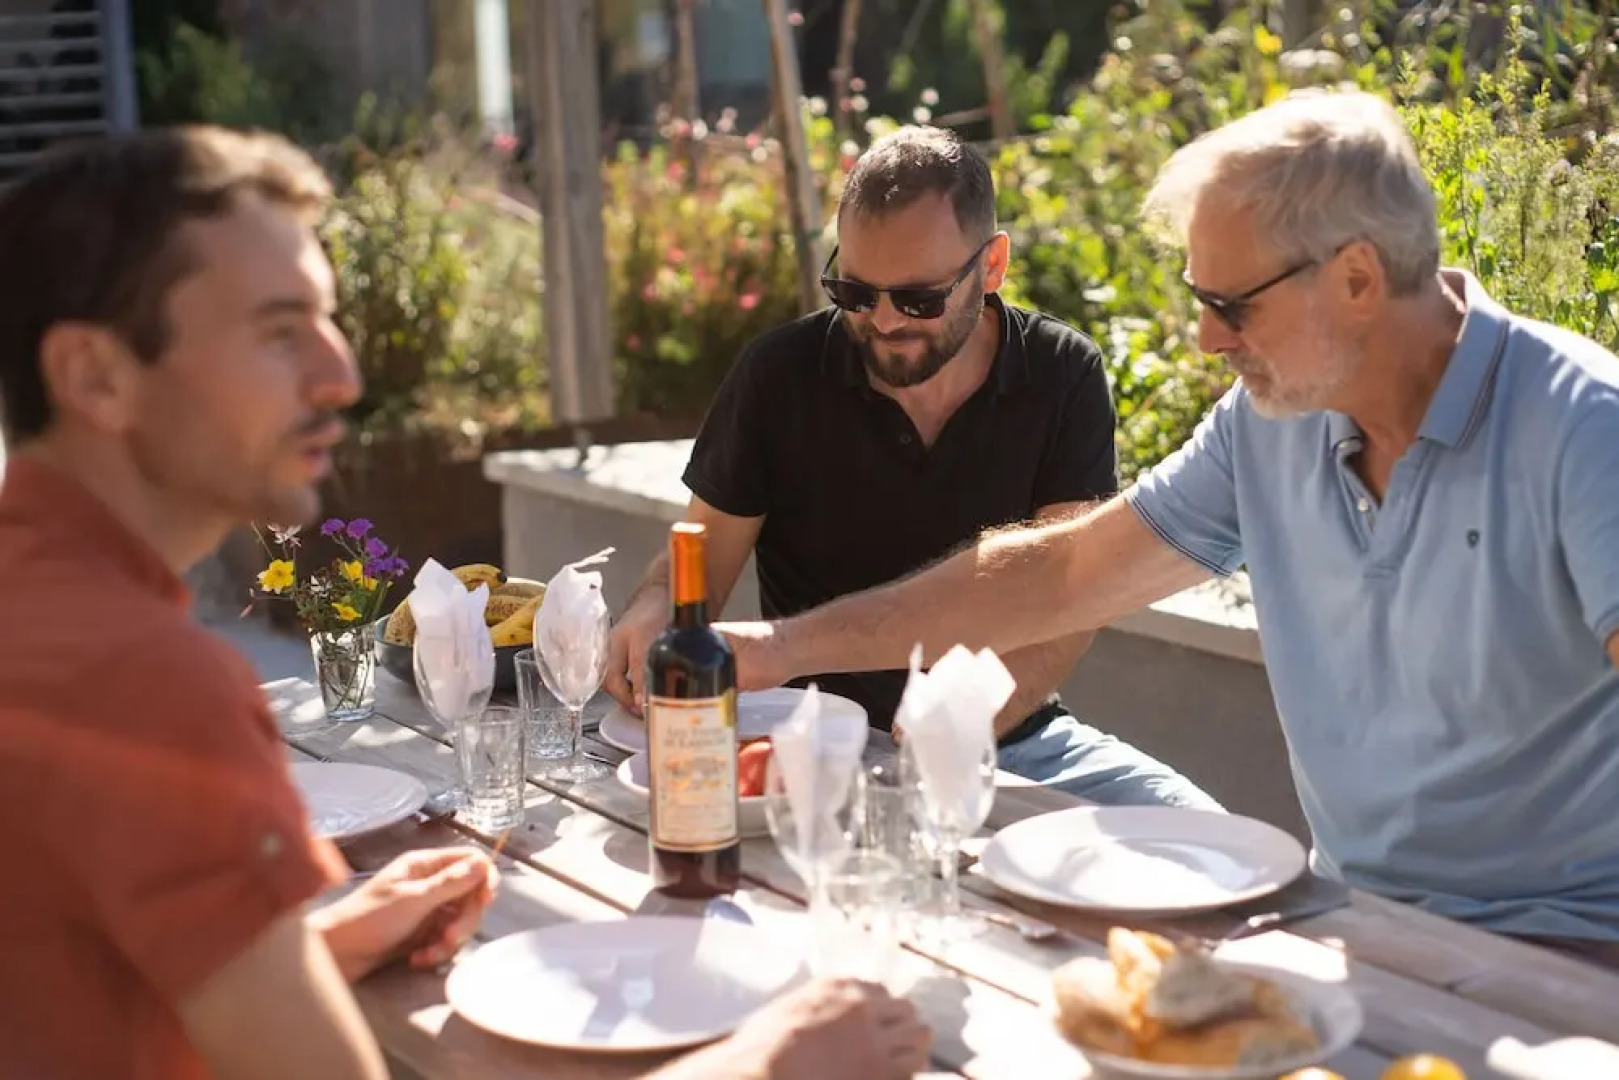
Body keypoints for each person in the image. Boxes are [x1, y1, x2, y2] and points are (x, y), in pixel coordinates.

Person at [0, 127, 931, 1079]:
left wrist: (301, 953)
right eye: (280, 333)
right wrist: (767, 1062)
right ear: (95, 377)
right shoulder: (135, 680)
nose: (343, 377)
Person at [711, 91, 1619, 957]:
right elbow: (1061, 575)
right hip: (1352, 927)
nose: (1203, 340)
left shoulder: (1581, 427)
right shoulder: (1267, 426)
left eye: (1231, 305)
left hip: (1569, 949)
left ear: (1354, 278)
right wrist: (783, 646)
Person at [604, 125, 1220, 811]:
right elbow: (696, 565)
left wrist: (949, 739)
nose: (886, 322)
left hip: (1005, 738)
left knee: (1198, 829)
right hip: (812, 743)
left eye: (919, 300)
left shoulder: (1060, 374)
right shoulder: (778, 374)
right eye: (855, 294)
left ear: (990, 268)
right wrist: (652, 611)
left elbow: (1066, 604)